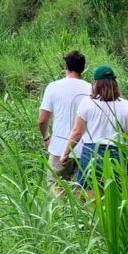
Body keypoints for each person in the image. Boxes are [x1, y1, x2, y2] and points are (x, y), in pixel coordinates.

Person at [60, 64, 128, 195]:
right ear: (114, 83)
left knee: (90, 196)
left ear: (95, 83)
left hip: (91, 153)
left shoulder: (87, 102)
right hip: (117, 154)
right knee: (115, 196)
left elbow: (77, 133)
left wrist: (65, 154)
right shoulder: (127, 106)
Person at [38, 50, 91, 190]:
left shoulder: (53, 87)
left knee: (56, 190)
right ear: (83, 68)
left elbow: (42, 120)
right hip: (86, 150)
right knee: (84, 193)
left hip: (59, 148)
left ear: (66, 66)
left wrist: (46, 138)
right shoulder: (91, 89)